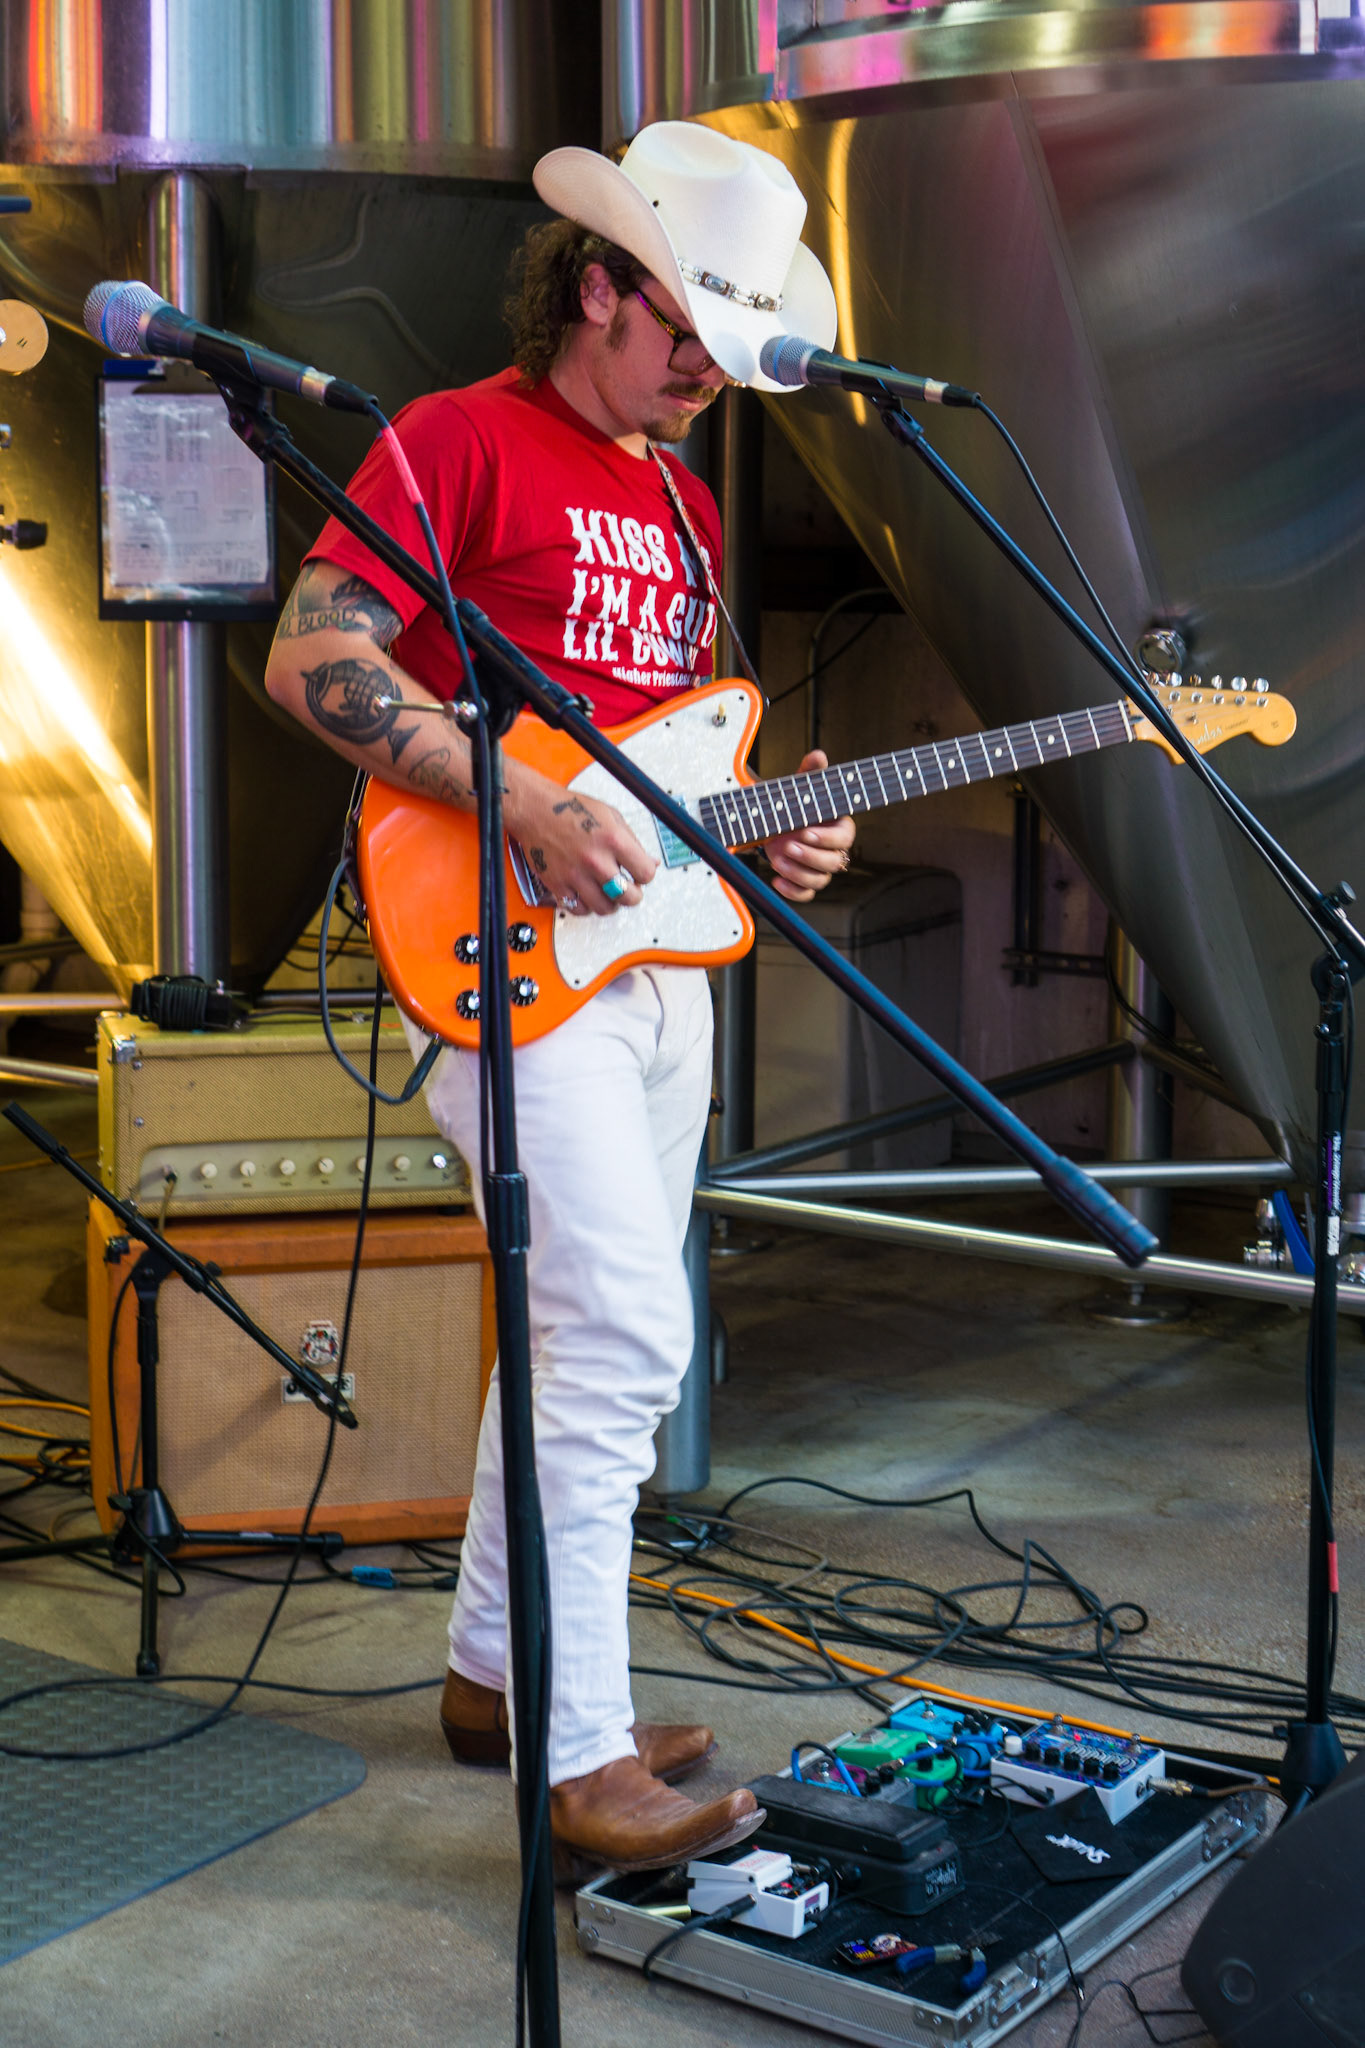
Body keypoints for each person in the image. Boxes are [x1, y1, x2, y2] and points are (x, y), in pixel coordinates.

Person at [264, 120, 855, 1878]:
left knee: (575, 1345)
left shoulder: (680, 498)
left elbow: (670, 771)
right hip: (504, 960)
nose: (708, 371)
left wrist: (775, 835)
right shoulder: (456, 440)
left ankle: (491, 1682)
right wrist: (513, 797)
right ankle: (577, 1757)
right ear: (597, 287)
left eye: (732, 342)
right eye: (687, 328)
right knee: (621, 1344)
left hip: (653, 964)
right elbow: (314, 656)